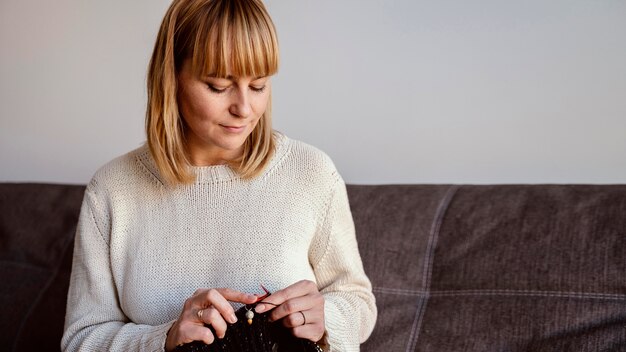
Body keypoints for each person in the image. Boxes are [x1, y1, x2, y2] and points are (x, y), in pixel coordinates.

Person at [61, 0, 377, 351]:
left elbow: (357, 301)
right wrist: (163, 340)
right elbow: (80, 340)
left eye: (258, 85)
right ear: (173, 78)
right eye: (218, 85)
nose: (244, 108)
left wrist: (325, 320)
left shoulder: (311, 173)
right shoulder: (111, 190)